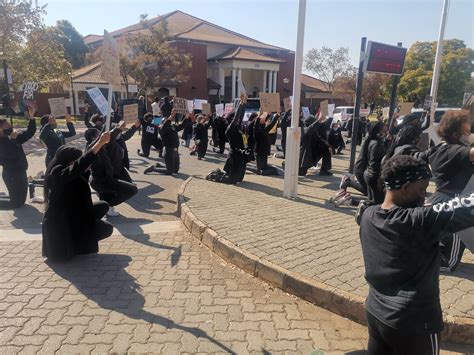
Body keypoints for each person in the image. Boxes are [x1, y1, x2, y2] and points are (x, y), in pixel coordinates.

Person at [359, 155, 474, 354]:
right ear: (404, 188)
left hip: (376, 313)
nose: (425, 196)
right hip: (414, 324)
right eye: (422, 189)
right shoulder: (418, 221)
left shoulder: (368, 215)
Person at [42, 134, 114, 261]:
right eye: (76, 160)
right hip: (62, 225)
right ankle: (77, 244)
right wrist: (100, 144)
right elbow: (80, 165)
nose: (78, 161)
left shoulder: (66, 170)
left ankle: (79, 240)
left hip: (72, 213)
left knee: (103, 205)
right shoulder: (58, 172)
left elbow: (82, 166)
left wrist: (101, 140)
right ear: (70, 161)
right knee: (106, 228)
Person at [428, 110, 474, 272]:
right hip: (452, 206)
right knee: (449, 262)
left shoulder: (445, 148)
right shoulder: (451, 151)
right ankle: (422, 263)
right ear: (456, 134)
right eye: (468, 132)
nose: (470, 135)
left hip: (447, 202)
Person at [85, 128, 138, 217]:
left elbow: (111, 137)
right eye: (99, 135)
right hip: (101, 181)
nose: (104, 137)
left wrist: (120, 128)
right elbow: (94, 146)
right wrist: (118, 129)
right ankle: (106, 206)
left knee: (108, 195)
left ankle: (107, 209)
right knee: (132, 190)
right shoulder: (91, 149)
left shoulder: (102, 146)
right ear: (94, 138)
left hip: (107, 178)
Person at [206, 95, 249, 184]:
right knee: (232, 180)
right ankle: (214, 175)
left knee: (239, 179)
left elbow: (240, 117)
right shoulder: (229, 130)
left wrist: (244, 103)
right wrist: (240, 104)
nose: (239, 122)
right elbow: (236, 118)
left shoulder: (237, 127)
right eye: (236, 122)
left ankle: (220, 172)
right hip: (234, 157)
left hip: (240, 155)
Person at [0, 108, 36, 209]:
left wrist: (32, 117)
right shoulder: (3, 141)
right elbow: (9, 156)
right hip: (11, 174)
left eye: (10, 126)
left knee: (21, 202)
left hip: (21, 171)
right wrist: (13, 140)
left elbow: (30, 132)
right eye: (7, 127)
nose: (10, 128)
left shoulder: (13, 137)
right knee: (15, 204)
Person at [144, 109, 184, 175]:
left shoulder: (172, 127)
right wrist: (171, 115)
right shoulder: (161, 129)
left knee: (175, 170)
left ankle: (159, 166)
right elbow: (165, 126)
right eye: (165, 121)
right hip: (169, 151)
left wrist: (187, 117)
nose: (169, 122)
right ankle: (153, 169)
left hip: (175, 151)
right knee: (169, 171)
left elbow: (182, 126)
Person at [363, 121, 388, 204]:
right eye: (384, 131)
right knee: (378, 203)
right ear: (379, 132)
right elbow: (374, 164)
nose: (386, 133)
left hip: (370, 175)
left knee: (372, 202)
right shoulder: (376, 144)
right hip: (373, 177)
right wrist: (378, 180)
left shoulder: (374, 141)